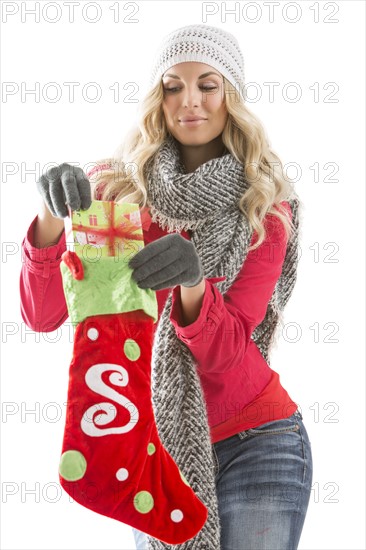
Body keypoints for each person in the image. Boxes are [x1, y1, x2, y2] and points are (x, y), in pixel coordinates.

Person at [20, 24, 313, 550]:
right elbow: (43, 316)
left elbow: (232, 353)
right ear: (158, 98)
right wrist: (49, 217)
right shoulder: (115, 191)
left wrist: (194, 281)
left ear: (232, 97)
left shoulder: (265, 207)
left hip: (261, 441)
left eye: (208, 84)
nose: (190, 101)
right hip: (155, 445)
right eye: (173, 86)